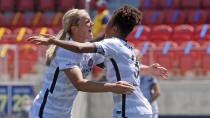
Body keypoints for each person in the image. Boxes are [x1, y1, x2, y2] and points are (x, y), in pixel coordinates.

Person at [28, 5, 168, 118]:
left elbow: (121, 65)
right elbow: (80, 84)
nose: (93, 23)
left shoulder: (90, 51)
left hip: (63, 114)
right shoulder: (66, 50)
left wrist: (147, 69)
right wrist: (112, 86)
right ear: (74, 28)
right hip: (45, 112)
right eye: (87, 21)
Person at [134, 49, 160, 118]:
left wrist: (147, 103)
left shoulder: (148, 70)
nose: (135, 60)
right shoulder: (129, 72)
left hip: (150, 110)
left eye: (137, 57)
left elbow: (157, 92)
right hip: (136, 110)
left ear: (141, 58)